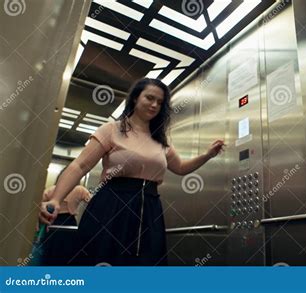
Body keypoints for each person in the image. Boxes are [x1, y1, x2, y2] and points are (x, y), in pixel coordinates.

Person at [38, 78, 225, 266]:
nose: (154, 105)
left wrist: (207, 155)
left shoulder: (161, 139)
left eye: (160, 102)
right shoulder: (112, 129)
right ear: (135, 98)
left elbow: (181, 168)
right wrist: (55, 199)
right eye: (150, 98)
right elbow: (80, 166)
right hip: (111, 206)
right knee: (103, 262)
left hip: (150, 210)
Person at [40, 167, 91, 265]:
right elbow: (92, 201)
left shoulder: (51, 190)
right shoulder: (79, 189)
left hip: (52, 222)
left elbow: (39, 206)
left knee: (50, 252)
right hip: (70, 223)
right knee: (67, 253)